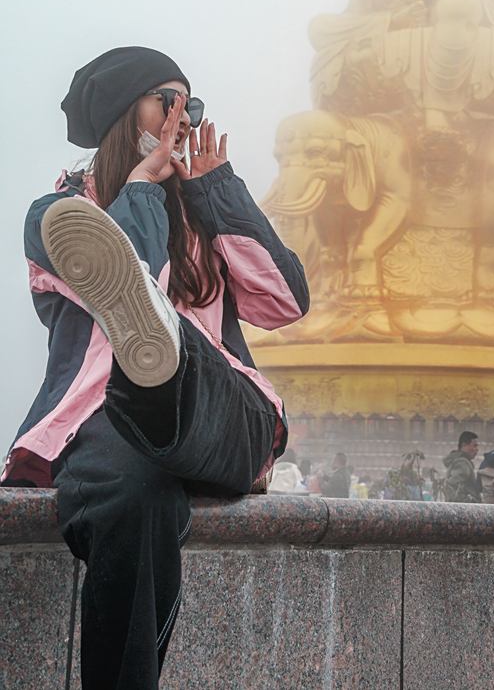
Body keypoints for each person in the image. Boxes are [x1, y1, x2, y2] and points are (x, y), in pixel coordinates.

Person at [1, 47, 310, 690]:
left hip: (224, 409)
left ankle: (167, 354)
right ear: (125, 114)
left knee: (185, 364)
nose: (184, 117)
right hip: (111, 420)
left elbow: (284, 301)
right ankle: (154, 358)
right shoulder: (58, 220)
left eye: (191, 104)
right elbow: (132, 265)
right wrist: (140, 187)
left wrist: (218, 188)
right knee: (132, 491)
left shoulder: (204, 220)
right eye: (168, 100)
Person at [443, 431, 482, 503]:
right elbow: (452, 486)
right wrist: (468, 503)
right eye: (474, 445)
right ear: (464, 445)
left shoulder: (458, 461)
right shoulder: (462, 463)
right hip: (465, 510)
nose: (477, 449)